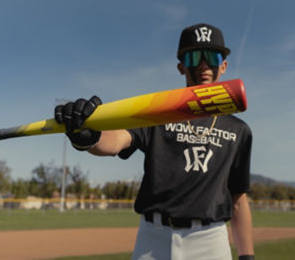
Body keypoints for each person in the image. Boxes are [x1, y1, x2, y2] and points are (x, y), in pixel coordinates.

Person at [55, 23, 255, 260]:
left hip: (210, 241)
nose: (203, 65)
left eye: (212, 56)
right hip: (154, 240)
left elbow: (238, 199)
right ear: (181, 67)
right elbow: (116, 140)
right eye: (193, 57)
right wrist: (88, 135)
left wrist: (246, 256)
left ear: (223, 65)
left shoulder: (239, 130)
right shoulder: (158, 113)